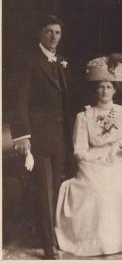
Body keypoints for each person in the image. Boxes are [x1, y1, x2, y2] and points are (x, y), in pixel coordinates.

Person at [55, 54, 122, 256]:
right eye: (101, 87)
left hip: (119, 159)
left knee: (121, 187)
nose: (105, 91)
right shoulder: (85, 116)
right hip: (92, 162)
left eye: (109, 87)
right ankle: (97, 241)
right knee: (98, 190)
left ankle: (121, 240)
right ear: (96, 89)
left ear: (115, 90)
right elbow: (79, 149)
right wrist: (95, 159)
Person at [9, 14, 73, 259]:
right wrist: (22, 135)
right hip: (38, 138)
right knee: (44, 191)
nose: (53, 37)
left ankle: (46, 235)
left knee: (55, 190)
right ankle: (48, 246)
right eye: (48, 31)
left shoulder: (62, 62)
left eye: (57, 32)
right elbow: (19, 101)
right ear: (40, 34)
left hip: (59, 138)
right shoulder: (29, 61)